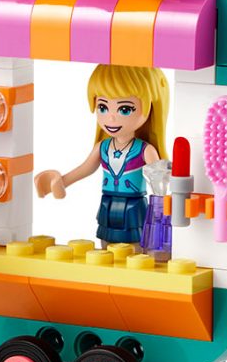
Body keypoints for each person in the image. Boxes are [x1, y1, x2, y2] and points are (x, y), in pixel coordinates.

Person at [34, 65, 169, 247]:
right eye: (103, 107)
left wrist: (164, 204)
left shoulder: (145, 150)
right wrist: (61, 182)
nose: (111, 118)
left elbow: (160, 181)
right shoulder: (103, 147)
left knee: (134, 247)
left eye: (125, 109)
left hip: (134, 206)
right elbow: (85, 168)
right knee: (106, 245)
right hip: (107, 204)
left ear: (150, 107)